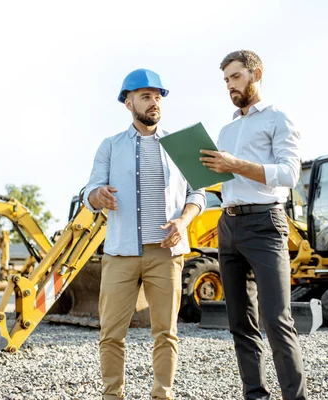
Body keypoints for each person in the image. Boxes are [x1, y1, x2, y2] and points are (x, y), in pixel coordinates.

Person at [84, 68, 206, 400]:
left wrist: (183, 222)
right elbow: (90, 191)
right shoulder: (109, 146)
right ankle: (113, 395)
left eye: (157, 97)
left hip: (166, 255)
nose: (154, 103)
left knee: (166, 333)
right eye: (145, 97)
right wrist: (97, 196)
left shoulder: (182, 145)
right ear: (128, 103)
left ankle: (162, 395)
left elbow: (199, 194)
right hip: (120, 253)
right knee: (111, 334)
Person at [200, 50, 308, 400]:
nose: (229, 86)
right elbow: (225, 176)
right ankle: (255, 396)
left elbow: (289, 174)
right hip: (228, 226)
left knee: (277, 321)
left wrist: (236, 164)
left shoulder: (279, 118)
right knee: (240, 325)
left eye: (235, 77)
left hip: (265, 224)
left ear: (255, 73)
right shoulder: (226, 129)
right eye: (226, 80)